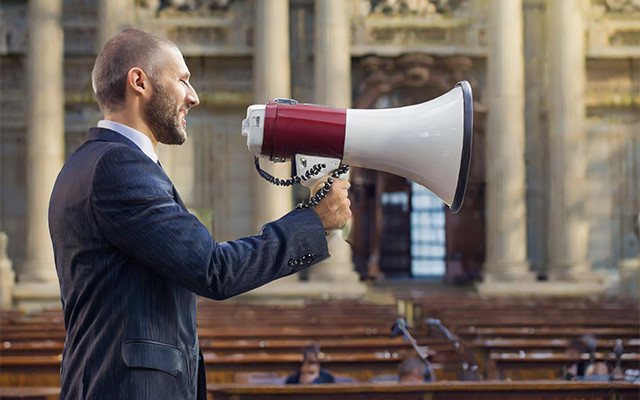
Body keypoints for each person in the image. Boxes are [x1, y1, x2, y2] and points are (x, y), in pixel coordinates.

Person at [48, 28, 351, 400]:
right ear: (139, 81)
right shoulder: (118, 165)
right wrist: (314, 223)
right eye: (182, 80)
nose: (193, 96)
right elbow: (213, 269)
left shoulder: (85, 163)